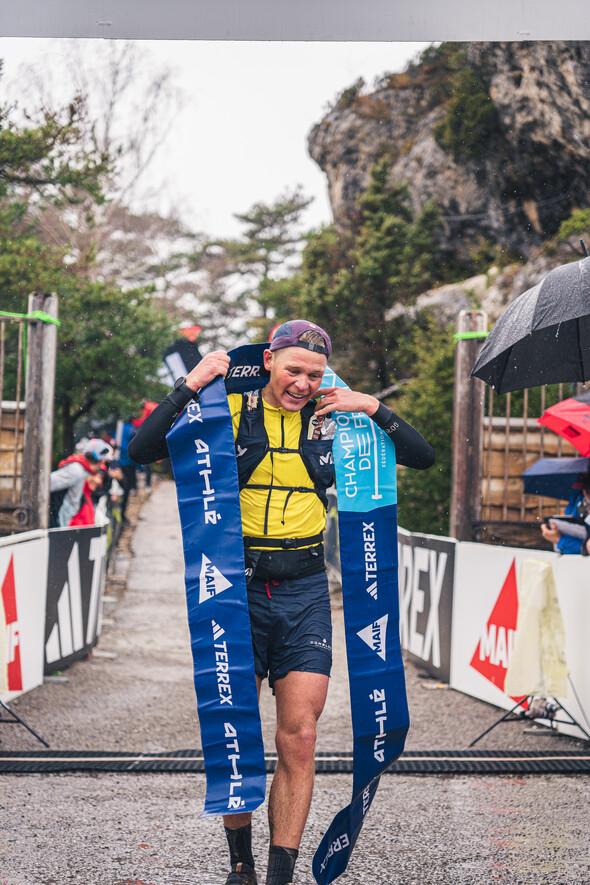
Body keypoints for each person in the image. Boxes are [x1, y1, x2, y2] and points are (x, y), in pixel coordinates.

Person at [129, 320, 435, 885]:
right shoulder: (227, 408)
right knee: (237, 730)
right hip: (235, 589)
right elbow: (141, 450)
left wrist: (375, 408)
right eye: (294, 370)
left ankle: (279, 875)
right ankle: (240, 865)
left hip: (303, 588)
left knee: (301, 731)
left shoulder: (336, 418)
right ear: (268, 360)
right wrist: (191, 384)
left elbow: (422, 457)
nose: (303, 383)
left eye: (314, 375)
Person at [49, 438, 113, 528]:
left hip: (62, 524)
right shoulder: (76, 471)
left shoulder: (83, 470)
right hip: (59, 524)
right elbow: (47, 485)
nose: (102, 464)